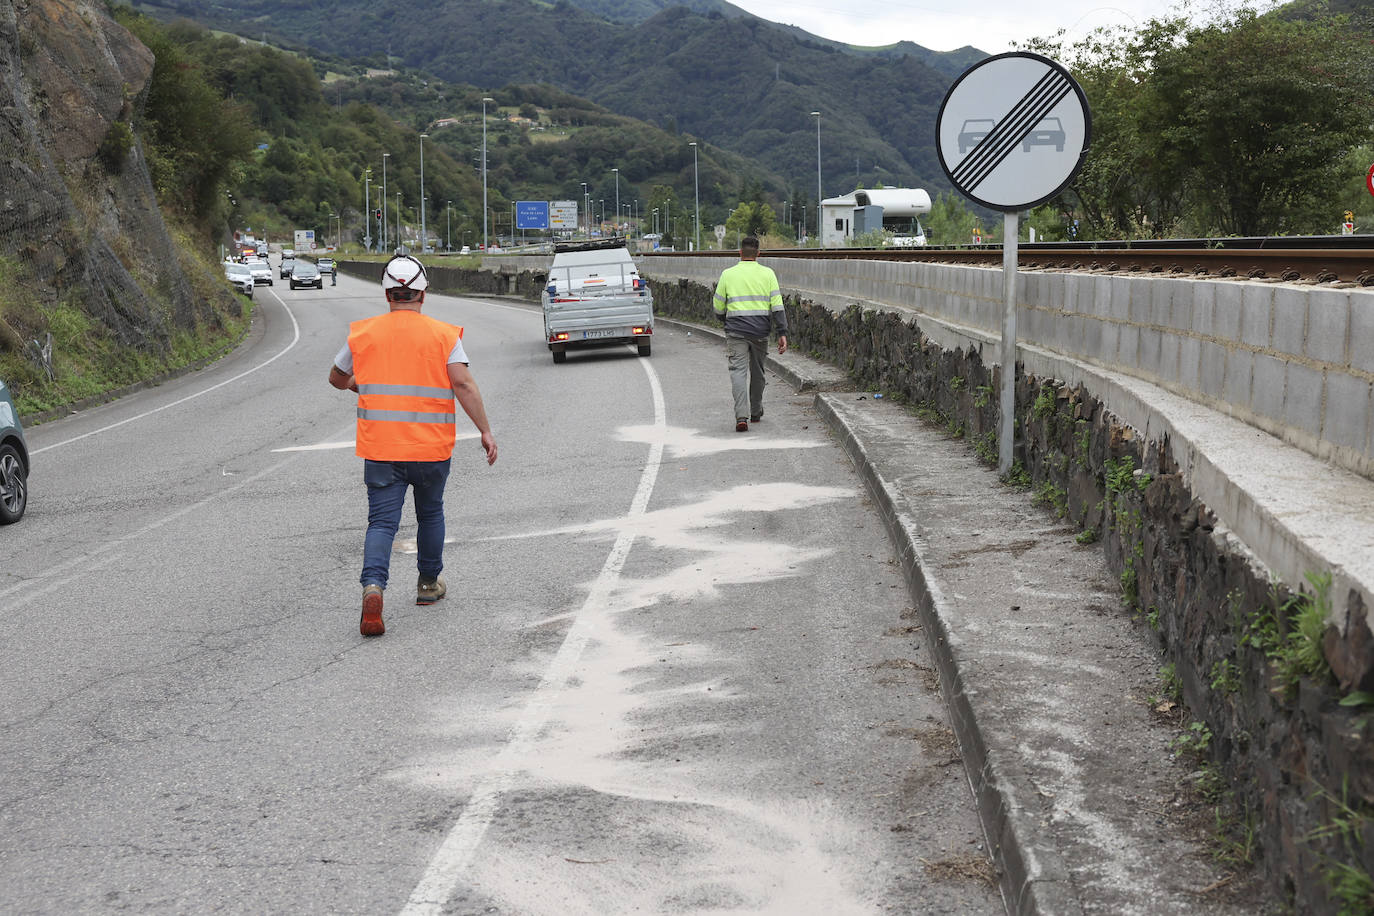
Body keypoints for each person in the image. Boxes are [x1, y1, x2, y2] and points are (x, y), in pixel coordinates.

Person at [328, 255, 498, 637]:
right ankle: (427, 585)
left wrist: (360, 385)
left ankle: (373, 587)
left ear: (387, 293)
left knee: (382, 523)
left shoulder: (362, 333)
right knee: (430, 513)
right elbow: (464, 385)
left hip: (382, 449)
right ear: (423, 293)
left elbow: (337, 378)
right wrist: (485, 431)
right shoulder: (443, 335)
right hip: (430, 449)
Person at [711, 236, 788, 432]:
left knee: (738, 372)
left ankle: (741, 416)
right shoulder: (768, 274)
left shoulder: (728, 274)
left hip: (736, 331)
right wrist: (782, 332)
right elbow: (777, 306)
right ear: (758, 254)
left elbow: (718, 305)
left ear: (740, 253)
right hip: (760, 331)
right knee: (758, 371)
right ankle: (755, 411)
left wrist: (724, 320)